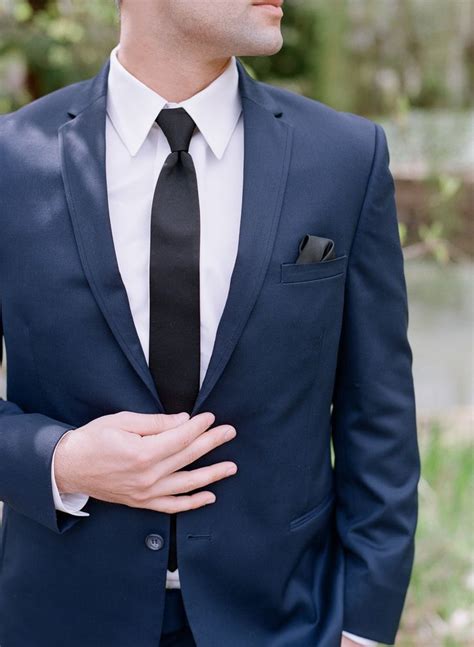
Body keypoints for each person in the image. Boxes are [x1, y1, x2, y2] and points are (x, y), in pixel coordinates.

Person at [0, 0, 420, 645]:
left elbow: (380, 418)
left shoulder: (344, 157)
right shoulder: (10, 162)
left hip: (286, 625)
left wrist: (363, 629)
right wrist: (63, 462)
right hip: (59, 620)